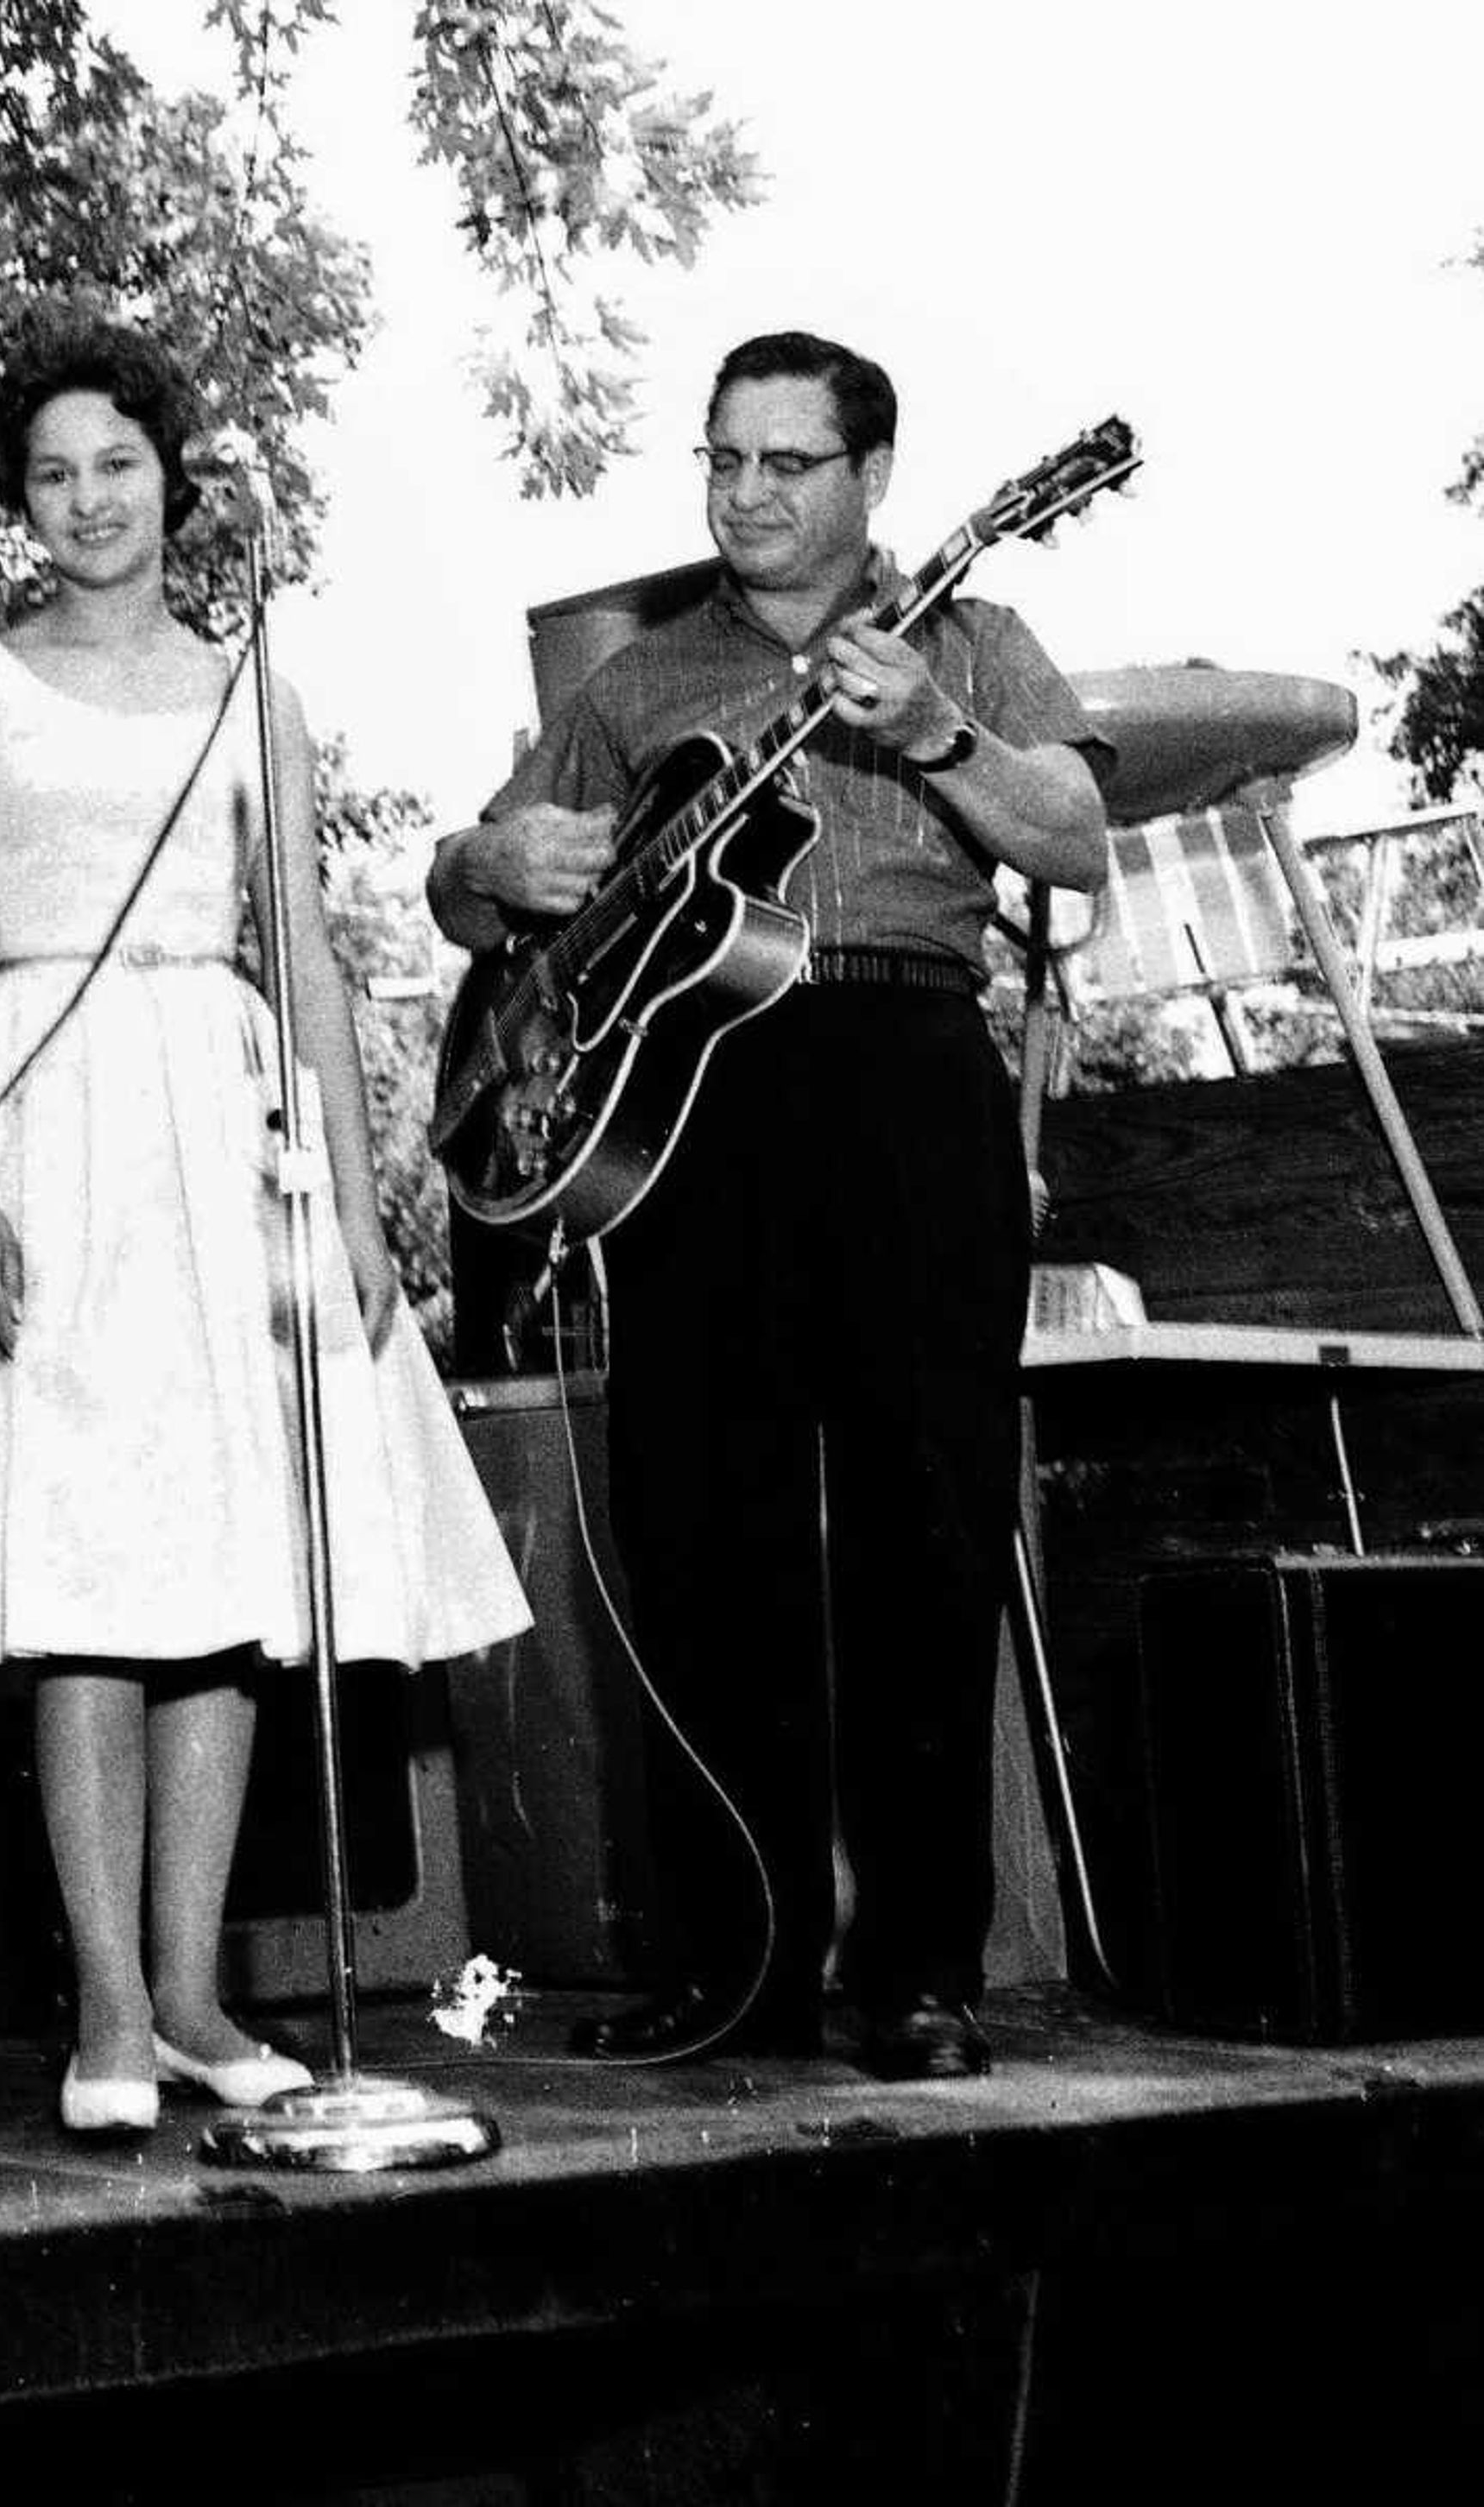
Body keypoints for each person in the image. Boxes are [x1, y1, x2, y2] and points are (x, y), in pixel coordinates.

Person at [0, 318, 527, 2137]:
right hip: (42, 1121)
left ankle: (199, 1993)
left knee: (227, 1570)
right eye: (51, 474)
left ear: (173, 476)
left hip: (220, 1126)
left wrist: (363, 1213)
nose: (89, 500)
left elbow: (308, 947)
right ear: (17, 504)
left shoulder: (247, 681)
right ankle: (108, 2008)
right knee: (82, 1571)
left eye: (116, 463)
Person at [431, 331, 1111, 2082]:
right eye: (722, 460)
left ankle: (919, 1975)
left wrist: (942, 736)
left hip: (902, 1067)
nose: (743, 495)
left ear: (872, 478)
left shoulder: (975, 640)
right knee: (699, 1536)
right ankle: (733, 1966)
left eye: (784, 464)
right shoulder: (637, 682)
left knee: (927, 1532)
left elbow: (1077, 841)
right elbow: (476, 886)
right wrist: (493, 870)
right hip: (687, 1106)